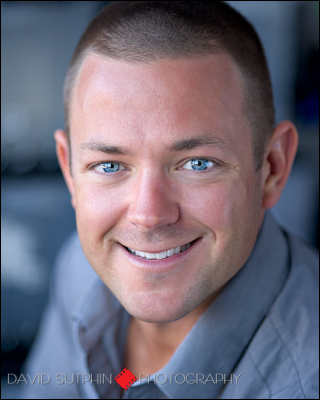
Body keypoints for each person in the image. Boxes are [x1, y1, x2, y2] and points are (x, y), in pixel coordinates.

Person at [21, 1, 318, 399]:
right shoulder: (83, 266)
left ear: (272, 168)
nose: (147, 216)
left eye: (197, 163)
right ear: (69, 170)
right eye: (109, 166)